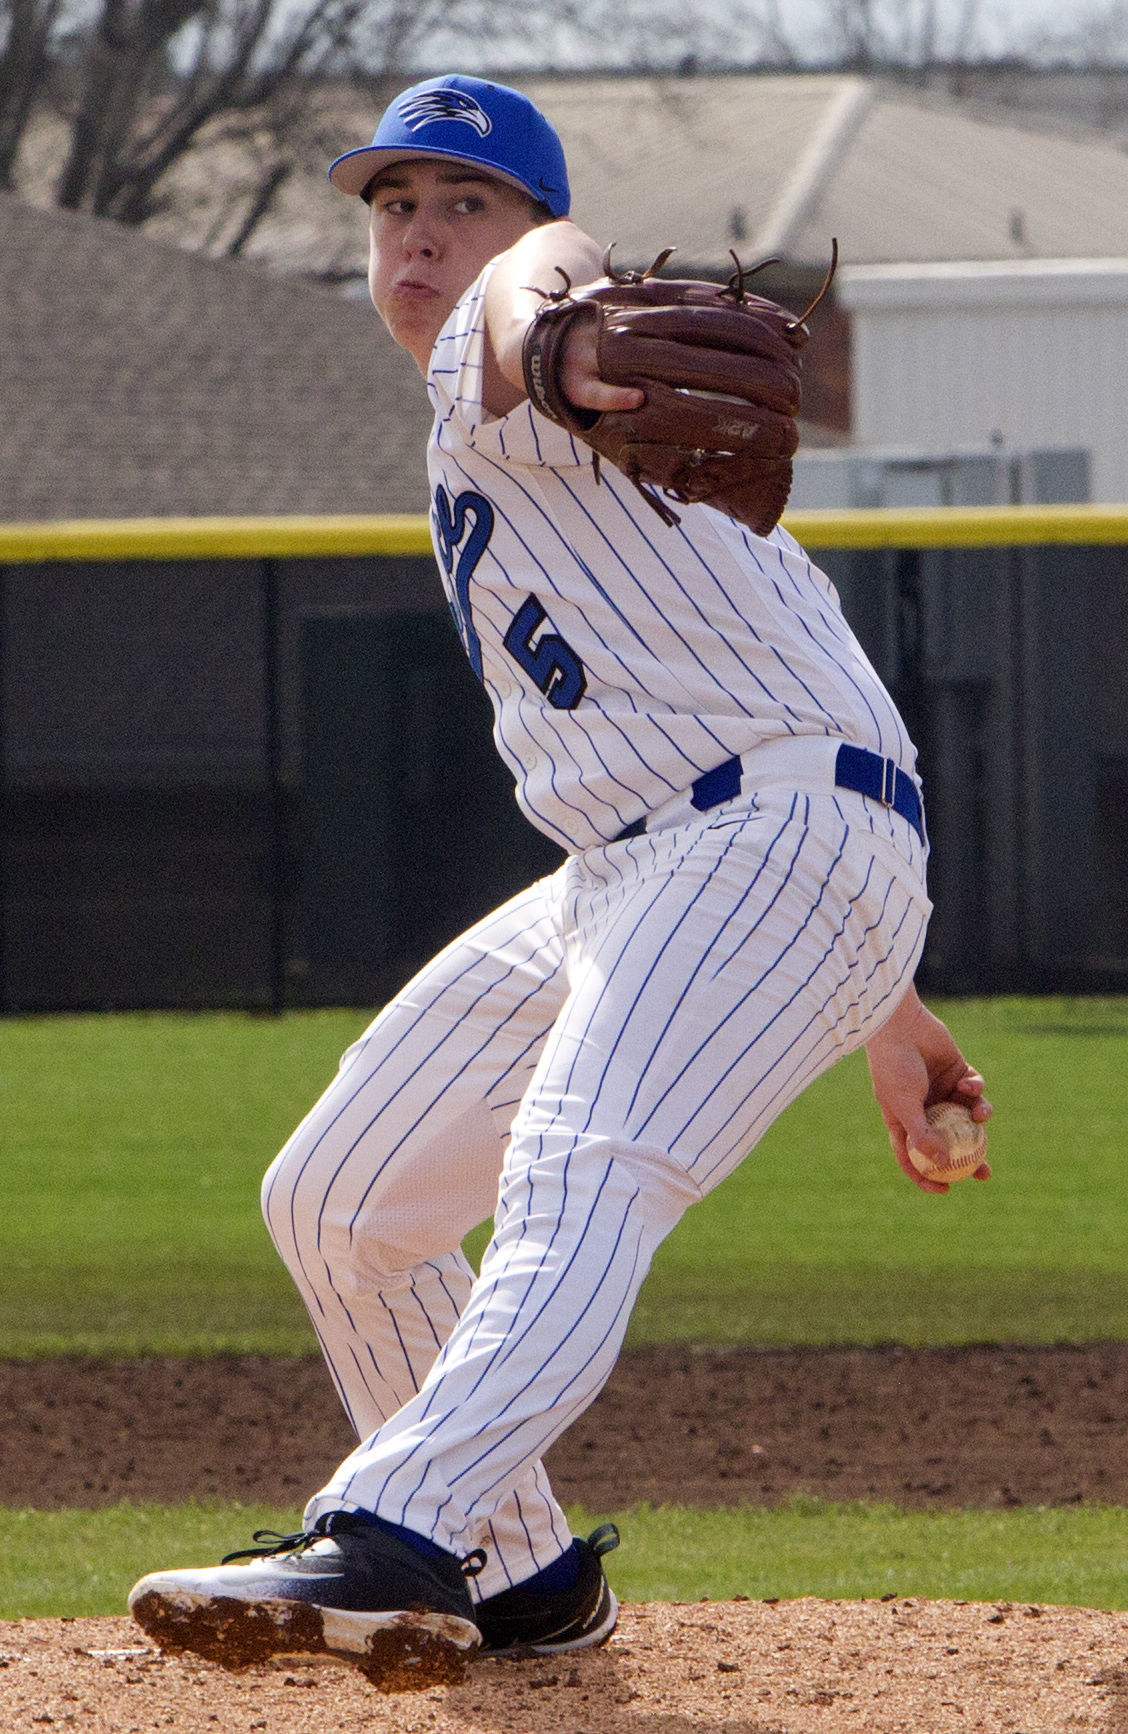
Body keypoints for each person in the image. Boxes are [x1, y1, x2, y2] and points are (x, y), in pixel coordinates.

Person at [128, 73, 991, 1684]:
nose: (421, 236)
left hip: (757, 842)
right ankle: (520, 1576)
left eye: (463, 202)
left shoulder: (524, 338)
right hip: (678, 861)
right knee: (341, 1197)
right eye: (395, 208)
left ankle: (394, 1524)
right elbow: (763, 686)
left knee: (580, 1164)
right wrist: (889, 1003)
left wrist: (558, 335)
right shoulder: (521, 446)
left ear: (527, 226)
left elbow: (552, 272)